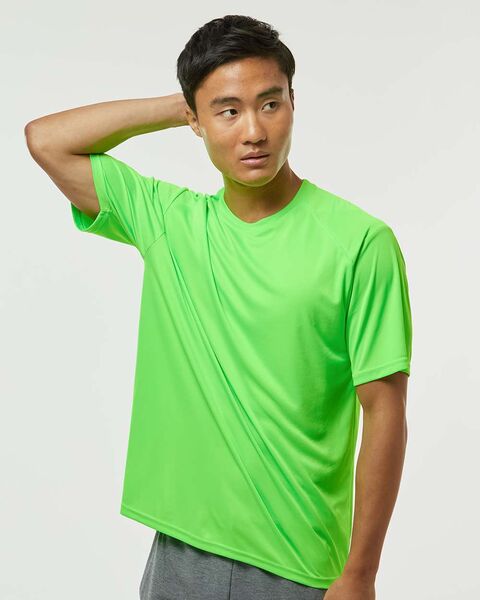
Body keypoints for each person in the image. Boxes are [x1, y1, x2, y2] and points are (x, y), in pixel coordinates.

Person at [24, 14, 412, 600]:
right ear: (196, 121)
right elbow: (47, 140)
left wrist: (360, 573)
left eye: (270, 104)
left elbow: (385, 411)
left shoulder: (360, 242)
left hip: (299, 563)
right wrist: (187, 103)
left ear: (293, 102)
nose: (254, 130)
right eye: (228, 111)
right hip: (180, 556)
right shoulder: (168, 222)